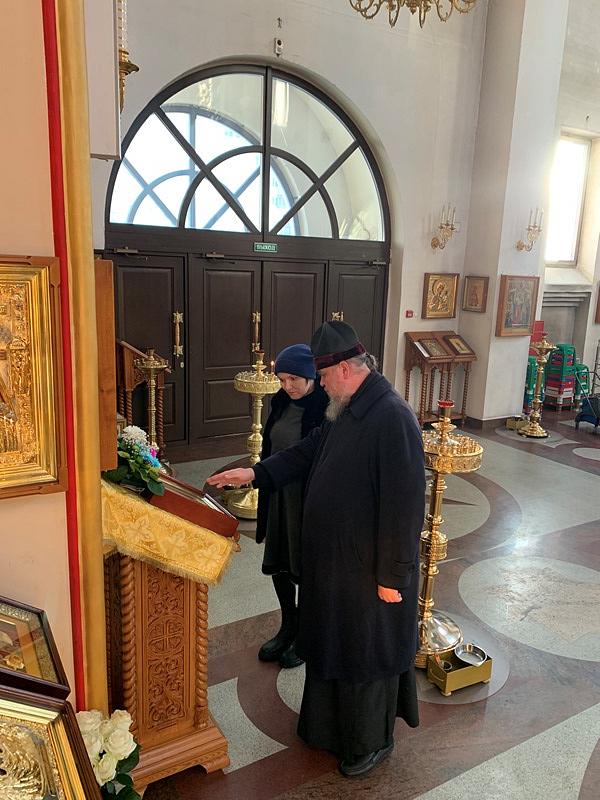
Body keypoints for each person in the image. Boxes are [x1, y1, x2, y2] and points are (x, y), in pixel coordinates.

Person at [208, 321, 425, 778]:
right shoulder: (344, 408)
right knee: (333, 644)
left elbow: (405, 507)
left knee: (365, 654)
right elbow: (307, 452)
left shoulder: (392, 417)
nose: (319, 384)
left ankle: (371, 742)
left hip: (370, 571)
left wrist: (393, 577)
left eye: (323, 376)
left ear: (344, 369)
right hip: (336, 566)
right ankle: (326, 729)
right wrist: (254, 474)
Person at [256, 343, 328, 669]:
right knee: (280, 561)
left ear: (311, 375)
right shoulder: (281, 401)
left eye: (294, 379)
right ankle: (289, 624)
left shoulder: (326, 407)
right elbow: (270, 448)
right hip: (279, 496)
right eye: (282, 379)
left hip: (308, 499)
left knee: (307, 566)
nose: (288, 386)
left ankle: (307, 633)